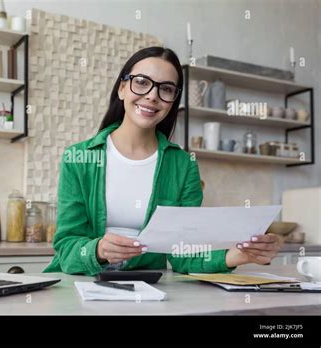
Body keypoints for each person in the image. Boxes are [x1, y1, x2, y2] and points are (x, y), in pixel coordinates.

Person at [43, 46, 282, 276]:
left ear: (173, 101)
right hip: (82, 282)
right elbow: (67, 246)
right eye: (142, 83)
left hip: (147, 286)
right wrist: (99, 250)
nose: (152, 96)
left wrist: (239, 255)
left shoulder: (183, 164)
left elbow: (183, 253)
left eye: (166, 89)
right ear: (122, 88)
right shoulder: (78, 158)